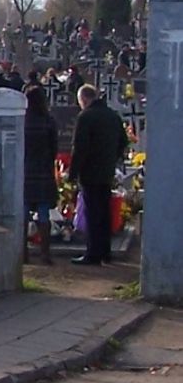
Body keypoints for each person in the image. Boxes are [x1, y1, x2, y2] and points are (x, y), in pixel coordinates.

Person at [69, 84, 127, 265]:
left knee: (92, 213)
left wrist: (73, 173)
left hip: (90, 171)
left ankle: (92, 253)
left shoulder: (86, 117)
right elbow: (123, 141)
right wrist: (112, 158)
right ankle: (105, 252)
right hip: (107, 170)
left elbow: (80, 148)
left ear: (84, 99)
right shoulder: (113, 116)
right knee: (105, 212)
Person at [23, 86, 58, 265]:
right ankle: (45, 254)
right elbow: (54, 148)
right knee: (43, 215)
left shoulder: (22, 121)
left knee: (24, 213)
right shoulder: (48, 121)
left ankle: (23, 253)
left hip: (26, 170)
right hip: (43, 170)